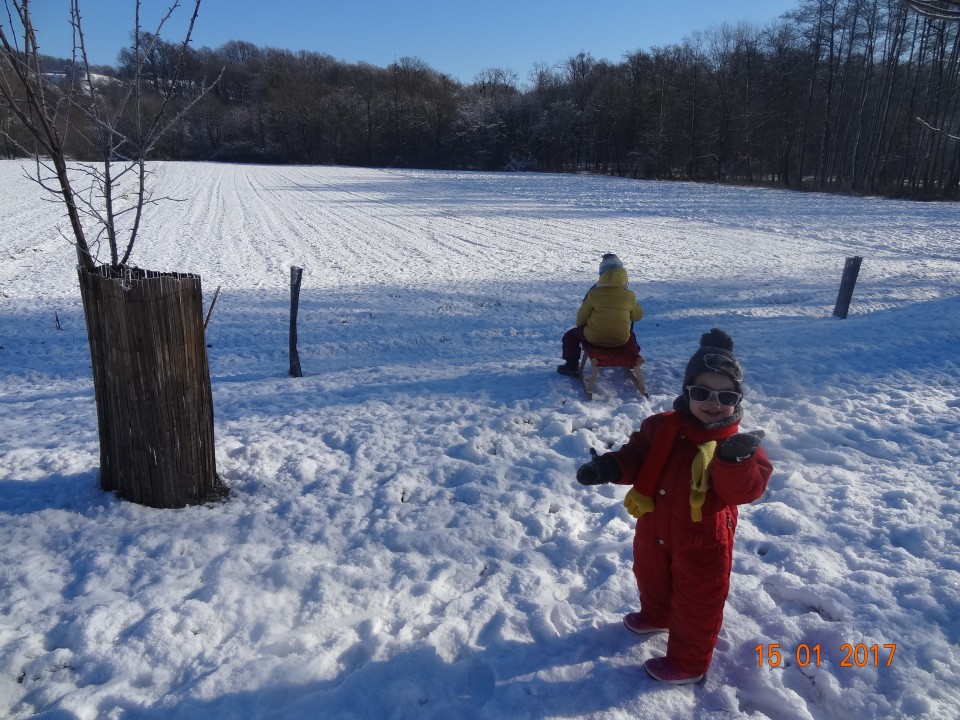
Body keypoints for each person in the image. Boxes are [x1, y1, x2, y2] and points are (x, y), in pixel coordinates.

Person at [575, 328, 773, 685]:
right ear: (686, 392)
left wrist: (735, 461)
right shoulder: (660, 426)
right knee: (650, 576)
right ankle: (657, 613)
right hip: (654, 523)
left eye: (726, 395)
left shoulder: (735, 444)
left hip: (704, 539)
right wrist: (609, 466)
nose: (713, 402)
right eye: (702, 392)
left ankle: (689, 662)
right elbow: (636, 456)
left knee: (698, 601)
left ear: (737, 401)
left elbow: (744, 490)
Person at [557, 253, 644, 376]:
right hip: (620, 339)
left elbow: (581, 318)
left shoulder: (594, 293)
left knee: (570, 336)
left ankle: (571, 365)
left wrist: (582, 327)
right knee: (631, 334)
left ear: (602, 275)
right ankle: (631, 360)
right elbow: (637, 317)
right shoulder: (629, 295)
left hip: (594, 337)